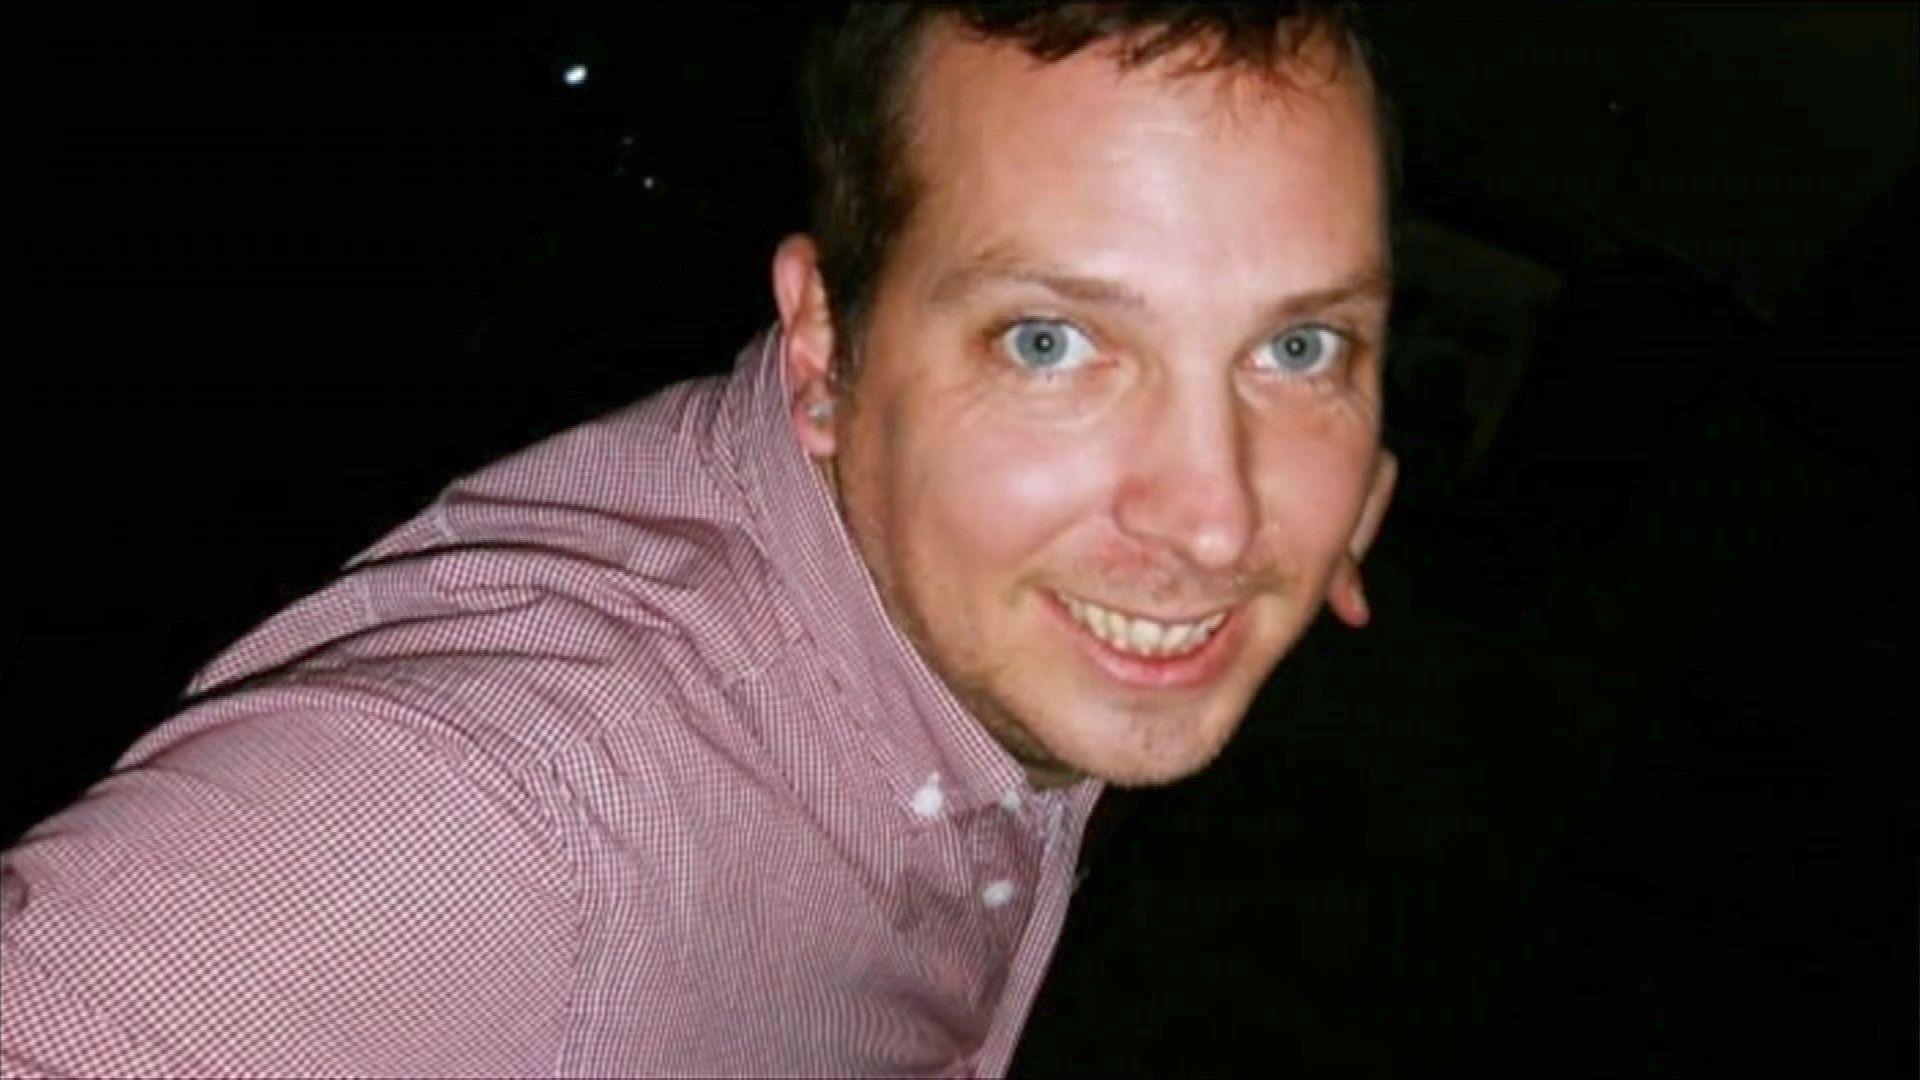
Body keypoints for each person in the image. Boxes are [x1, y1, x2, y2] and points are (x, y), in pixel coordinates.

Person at [1, 2, 1398, 1075]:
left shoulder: (1007, 571)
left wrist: (1288, 529)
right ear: (824, 348)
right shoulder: (499, 816)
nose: (1213, 518)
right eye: (1051, 343)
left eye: (1296, 342)